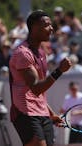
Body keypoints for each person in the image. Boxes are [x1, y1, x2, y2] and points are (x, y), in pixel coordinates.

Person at [9, 10, 72, 146]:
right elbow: (36, 88)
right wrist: (59, 70)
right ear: (34, 28)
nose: (51, 28)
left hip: (42, 113)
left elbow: (39, 94)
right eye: (47, 25)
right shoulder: (23, 53)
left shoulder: (42, 53)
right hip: (24, 112)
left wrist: (50, 113)